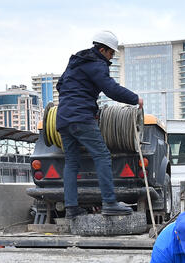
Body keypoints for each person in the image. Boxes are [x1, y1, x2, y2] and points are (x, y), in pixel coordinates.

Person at [55, 30, 143, 217]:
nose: (111, 57)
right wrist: (135, 99)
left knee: (71, 162)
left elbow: (60, 85)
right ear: (102, 50)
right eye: (111, 53)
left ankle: (71, 207)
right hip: (80, 118)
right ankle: (110, 203)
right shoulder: (96, 64)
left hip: (63, 118)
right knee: (102, 155)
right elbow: (111, 89)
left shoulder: (76, 62)